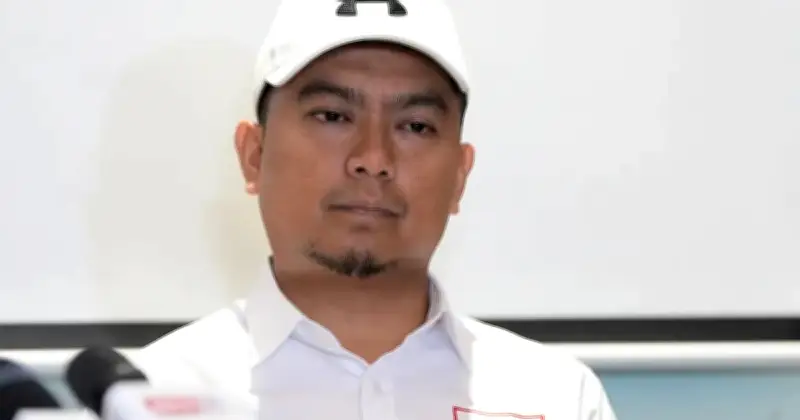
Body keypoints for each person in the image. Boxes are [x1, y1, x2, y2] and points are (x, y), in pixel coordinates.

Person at [138, 0, 617, 418]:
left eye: (416, 126)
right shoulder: (147, 398)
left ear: (459, 176)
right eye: (332, 116)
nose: (373, 158)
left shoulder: (556, 397)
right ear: (254, 156)